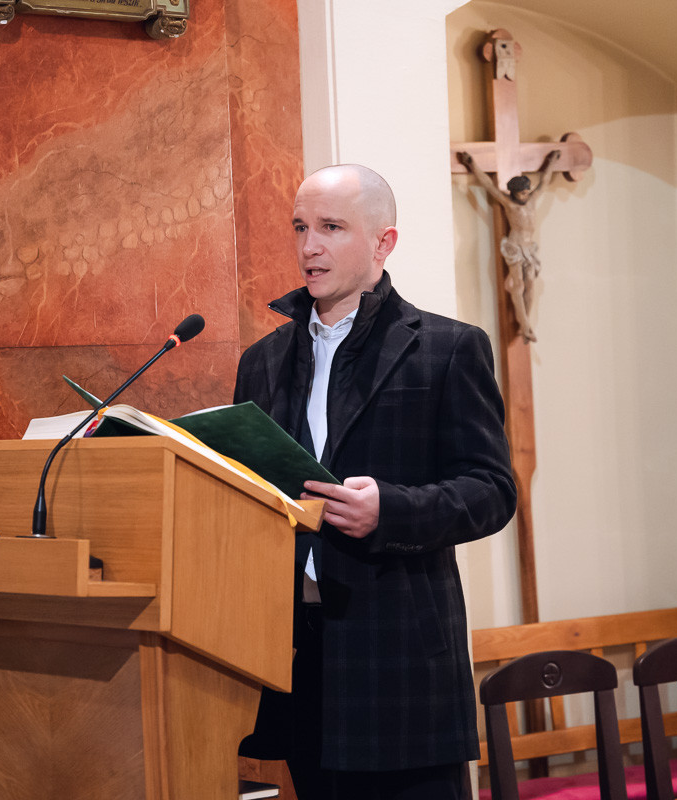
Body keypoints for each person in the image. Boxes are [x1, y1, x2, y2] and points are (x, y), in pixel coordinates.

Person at [234, 164, 517, 800]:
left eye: (331, 227)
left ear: (383, 242)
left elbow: (493, 490)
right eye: (300, 227)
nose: (309, 246)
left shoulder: (446, 348)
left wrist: (391, 511)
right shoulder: (263, 362)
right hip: (297, 655)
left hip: (399, 657)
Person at [458, 150, 560, 343]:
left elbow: (544, 181)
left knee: (530, 284)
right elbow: (488, 185)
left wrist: (552, 162)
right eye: (522, 192)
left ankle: (525, 322)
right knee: (518, 285)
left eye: (527, 191)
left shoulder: (532, 200)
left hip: (529, 248)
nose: (526, 194)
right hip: (515, 246)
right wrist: (472, 164)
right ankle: (526, 326)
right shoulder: (509, 203)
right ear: (514, 193)